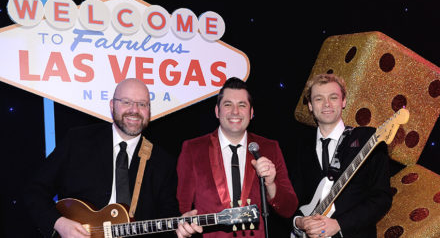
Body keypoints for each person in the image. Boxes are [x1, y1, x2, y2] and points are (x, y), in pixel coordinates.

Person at [25, 78, 181, 238]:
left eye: (142, 104)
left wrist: (179, 229)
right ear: (112, 105)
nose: (134, 110)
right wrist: (59, 224)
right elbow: (34, 191)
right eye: (126, 102)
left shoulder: (163, 162)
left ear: (149, 109)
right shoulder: (78, 141)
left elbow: (168, 220)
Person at [176, 77, 298, 238]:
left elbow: (289, 208)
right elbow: (181, 207)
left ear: (251, 112)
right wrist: (183, 222)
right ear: (217, 111)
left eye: (242, 105)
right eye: (228, 104)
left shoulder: (269, 148)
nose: (235, 111)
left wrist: (270, 184)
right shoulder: (193, 149)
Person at [287, 73, 392, 238]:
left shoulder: (368, 139)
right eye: (319, 99)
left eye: (333, 97)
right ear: (310, 106)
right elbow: (292, 198)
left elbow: (382, 197)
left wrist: (339, 225)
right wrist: (299, 222)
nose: (327, 104)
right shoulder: (300, 148)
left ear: (343, 101)